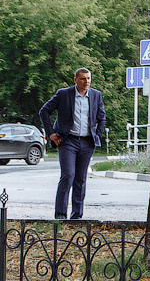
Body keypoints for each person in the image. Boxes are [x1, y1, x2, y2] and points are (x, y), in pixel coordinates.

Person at [40, 67, 106, 220]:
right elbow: (44, 111)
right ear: (75, 79)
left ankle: (76, 215)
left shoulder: (96, 95)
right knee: (68, 175)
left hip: (87, 142)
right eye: (83, 78)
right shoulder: (64, 94)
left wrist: (97, 134)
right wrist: (51, 133)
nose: (86, 82)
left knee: (81, 178)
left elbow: (101, 117)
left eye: (88, 78)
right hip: (68, 141)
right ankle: (60, 214)